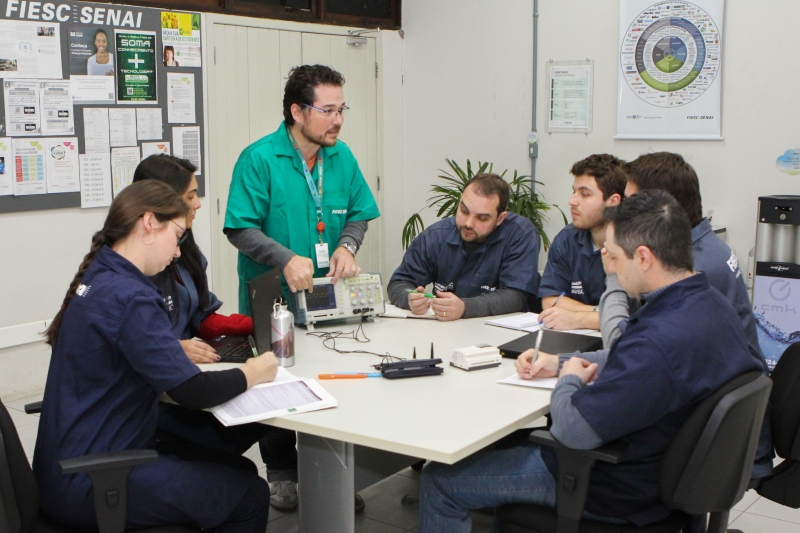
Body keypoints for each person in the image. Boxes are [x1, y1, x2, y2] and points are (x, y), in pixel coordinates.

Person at [418, 190, 765, 532]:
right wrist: (560, 361)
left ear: (643, 257)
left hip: (614, 486)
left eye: (612, 256)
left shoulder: (657, 341)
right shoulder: (708, 304)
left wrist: (568, 377)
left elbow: (571, 430)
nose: (608, 268)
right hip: (667, 469)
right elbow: (635, 360)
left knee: (440, 479)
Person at [33, 181, 279, 532]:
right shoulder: (131, 295)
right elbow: (193, 391)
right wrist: (253, 372)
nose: (178, 252)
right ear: (149, 223)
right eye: (177, 236)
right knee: (250, 495)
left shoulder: (100, 274)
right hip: (94, 480)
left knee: (237, 472)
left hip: (65, 467)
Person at [224, 64, 380, 510]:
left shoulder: (342, 156)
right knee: (279, 382)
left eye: (341, 108)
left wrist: (348, 245)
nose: (338, 120)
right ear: (297, 111)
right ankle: (282, 473)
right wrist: (284, 258)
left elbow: (359, 212)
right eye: (328, 110)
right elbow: (239, 228)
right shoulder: (259, 158)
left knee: (335, 383)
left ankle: (330, 476)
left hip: (329, 295)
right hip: (273, 293)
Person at [599, 152, 773, 481]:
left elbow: (623, 344)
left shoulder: (692, 270)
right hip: (726, 422)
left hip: (708, 441)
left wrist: (613, 272)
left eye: (634, 202)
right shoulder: (710, 247)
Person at [388, 173, 540, 320]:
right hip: (447, 330)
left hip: (502, 331)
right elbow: (399, 283)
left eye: (482, 218)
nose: (468, 223)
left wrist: (465, 308)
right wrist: (409, 298)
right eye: (464, 211)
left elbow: (515, 296)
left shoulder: (519, 234)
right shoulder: (437, 236)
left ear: (500, 218)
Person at [537, 154, 625, 331]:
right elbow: (550, 301)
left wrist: (580, 319)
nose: (572, 201)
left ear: (613, 201)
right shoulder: (568, 238)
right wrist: (599, 313)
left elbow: (638, 317)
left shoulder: (637, 242)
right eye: (574, 191)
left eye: (584, 194)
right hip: (575, 339)